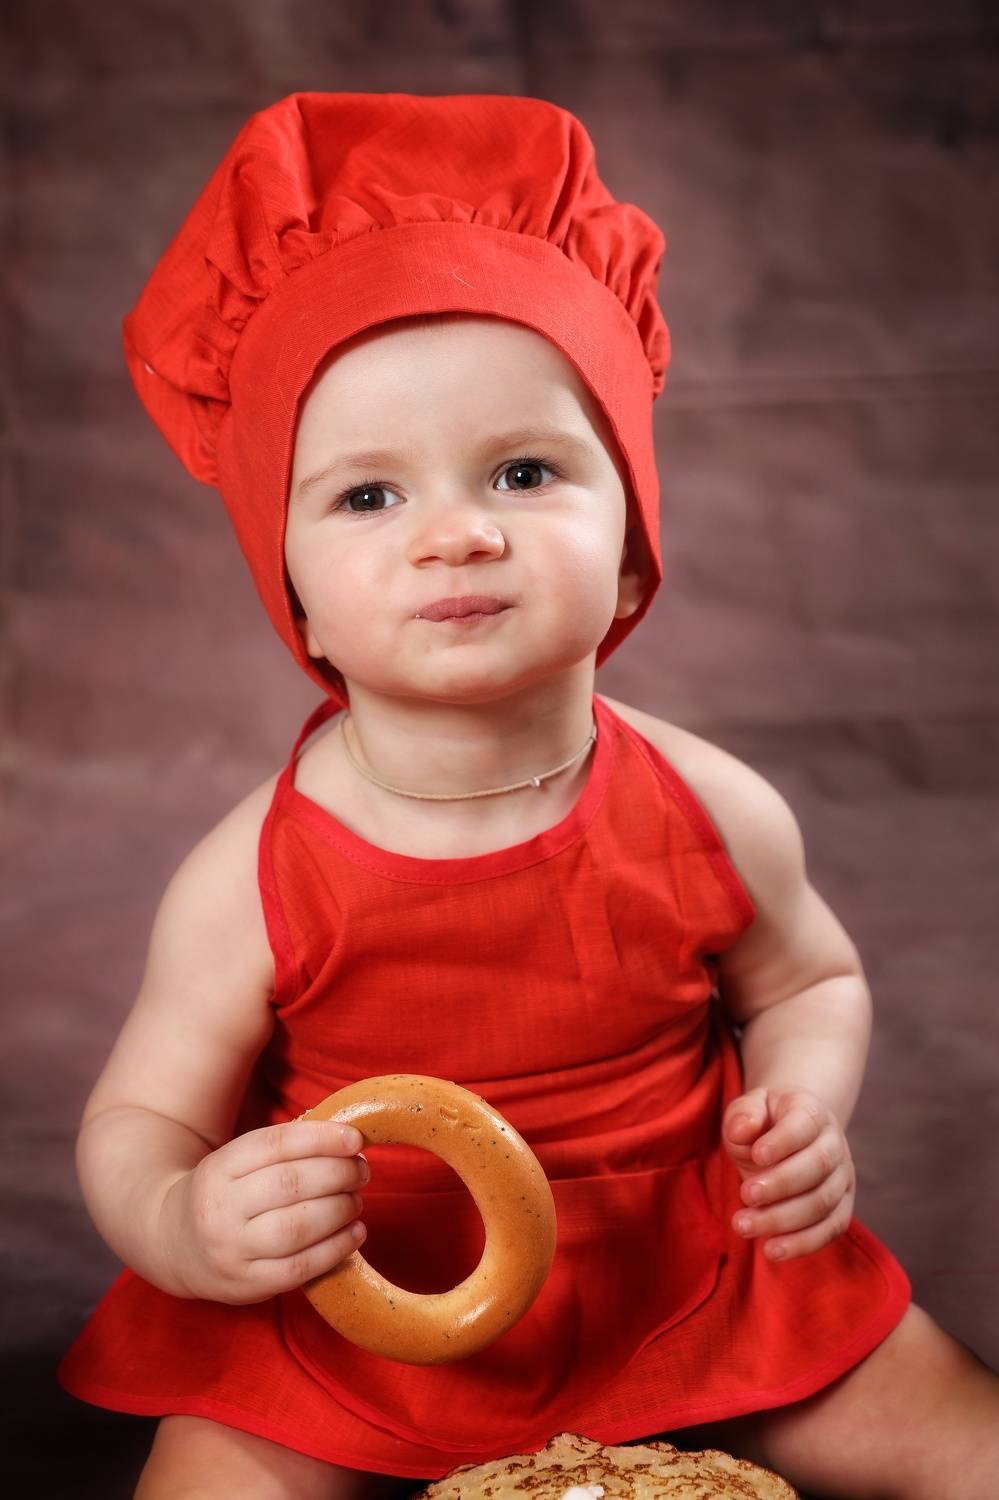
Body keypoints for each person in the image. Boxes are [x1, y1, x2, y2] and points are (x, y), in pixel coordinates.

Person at [57, 92, 998, 1500]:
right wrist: (190, 1222)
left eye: (522, 470)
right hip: (362, 1316)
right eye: (368, 497)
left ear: (630, 551)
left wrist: (803, 1104)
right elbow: (140, 1125)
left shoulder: (709, 806)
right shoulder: (248, 878)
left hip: (690, 1284)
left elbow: (813, 981)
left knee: (969, 1439)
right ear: (291, 591)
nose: (457, 533)